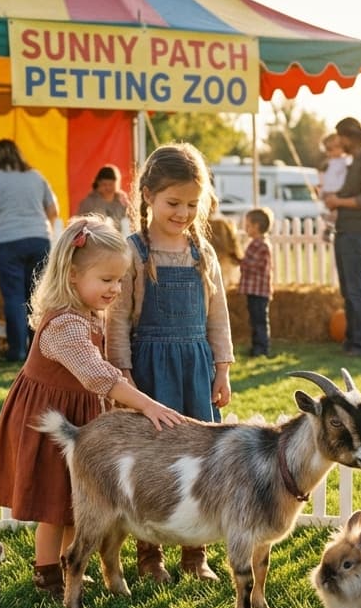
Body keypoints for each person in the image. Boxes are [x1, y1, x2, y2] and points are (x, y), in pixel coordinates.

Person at [0, 217, 185, 599]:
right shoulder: (64, 324)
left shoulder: (89, 313)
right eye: (106, 280)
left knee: (78, 499)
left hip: (80, 417)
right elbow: (96, 374)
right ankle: (46, 576)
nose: (115, 288)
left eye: (120, 280)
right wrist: (145, 404)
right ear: (74, 275)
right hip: (50, 419)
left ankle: (68, 563)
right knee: (52, 501)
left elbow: (100, 375)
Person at [107, 142, 234, 583]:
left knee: (201, 460)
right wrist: (122, 373)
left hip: (196, 368)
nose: (182, 213)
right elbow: (118, 319)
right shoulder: (134, 253)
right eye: (173, 203)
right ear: (148, 196)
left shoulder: (203, 253)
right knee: (153, 461)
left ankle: (196, 556)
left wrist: (222, 368)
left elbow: (218, 316)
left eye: (192, 204)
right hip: (150, 370)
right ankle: (150, 555)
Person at [0, 139, 59, 363]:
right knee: (37, 295)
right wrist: (45, 230)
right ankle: (38, 350)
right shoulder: (36, 176)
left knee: (14, 296)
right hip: (39, 239)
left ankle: (18, 351)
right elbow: (53, 210)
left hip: (8, 241)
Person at [322, 117, 361, 357]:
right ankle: (351, 340)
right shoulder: (353, 162)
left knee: (357, 290)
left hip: (357, 233)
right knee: (348, 290)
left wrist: (337, 201)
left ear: (348, 137)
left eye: (339, 137)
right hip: (345, 230)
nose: (337, 142)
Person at [238, 206, 274, 356]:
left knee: (259, 320)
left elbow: (252, 265)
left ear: (256, 227)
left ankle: (261, 348)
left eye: (248, 226)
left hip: (259, 291)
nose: (245, 229)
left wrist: (239, 260)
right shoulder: (257, 243)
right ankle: (256, 346)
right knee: (255, 319)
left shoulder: (260, 245)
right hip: (255, 290)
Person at [77, 164, 130, 230]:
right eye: (104, 185)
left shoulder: (123, 202)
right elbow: (78, 225)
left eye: (111, 184)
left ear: (116, 184)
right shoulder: (88, 203)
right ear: (98, 184)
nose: (108, 188)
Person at [205, 197, 244, 289]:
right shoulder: (225, 223)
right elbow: (233, 242)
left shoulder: (201, 224)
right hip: (223, 260)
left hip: (209, 260)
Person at [317, 131, 349, 242]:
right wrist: (322, 191)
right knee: (327, 212)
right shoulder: (329, 163)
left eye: (330, 149)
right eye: (326, 150)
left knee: (335, 212)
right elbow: (326, 179)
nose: (328, 153)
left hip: (337, 191)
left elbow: (342, 178)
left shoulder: (345, 161)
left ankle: (329, 229)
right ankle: (329, 228)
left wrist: (336, 191)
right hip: (328, 191)